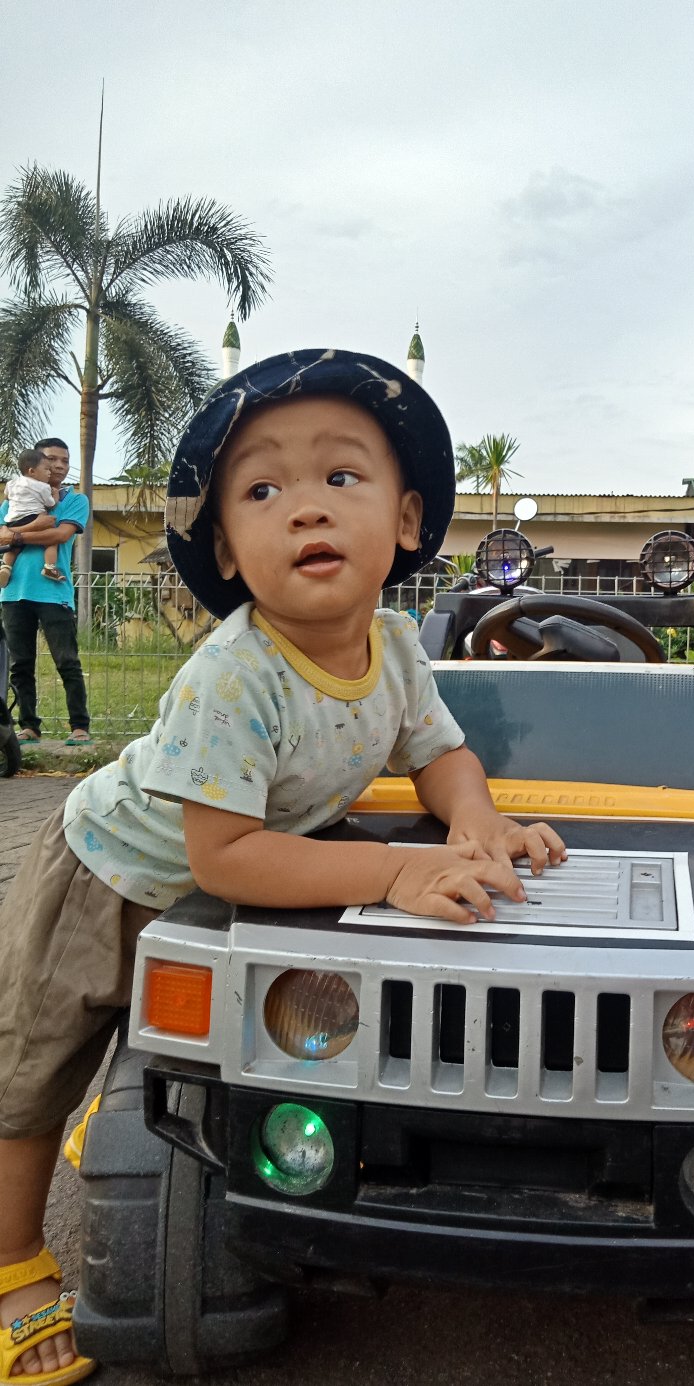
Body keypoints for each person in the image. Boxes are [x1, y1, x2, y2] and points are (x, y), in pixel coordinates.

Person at [0, 348, 567, 1383]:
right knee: (32, 1075)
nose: (305, 508)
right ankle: (11, 1265)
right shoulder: (234, 673)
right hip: (107, 874)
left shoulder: (396, 645)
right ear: (226, 545)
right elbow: (226, 855)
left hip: (236, 865)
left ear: (405, 520)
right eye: (262, 491)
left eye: (341, 476)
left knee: (180, 1027)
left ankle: (118, 1121)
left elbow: (440, 754)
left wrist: (477, 822)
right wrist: (394, 875)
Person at [0, 438, 93, 746]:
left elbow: (61, 534)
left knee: (67, 662)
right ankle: (28, 727)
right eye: (52, 459)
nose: (59, 466)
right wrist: (35, 529)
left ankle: (79, 727)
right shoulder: (13, 499)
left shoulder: (75, 500)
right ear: (35, 464)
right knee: (20, 665)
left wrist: (16, 535)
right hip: (13, 593)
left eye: (65, 461)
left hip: (54, 592)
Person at [0, 449, 62, 588]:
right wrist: (56, 496)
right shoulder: (43, 487)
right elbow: (51, 504)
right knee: (52, 540)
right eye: (46, 469)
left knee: (13, 548)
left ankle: (6, 568)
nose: (50, 472)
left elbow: (7, 497)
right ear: (32, 471)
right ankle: (49, 566)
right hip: (34, 517)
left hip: (13, 520)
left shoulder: (11, 483)